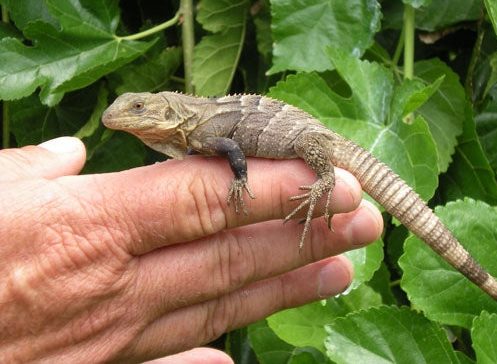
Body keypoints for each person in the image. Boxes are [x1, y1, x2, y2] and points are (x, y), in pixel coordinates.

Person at [0, 136, 382, 362]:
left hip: (314, 142)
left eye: (141, 109)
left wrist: (317, 180)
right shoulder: (191, 135)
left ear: (167, 111)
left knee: (317, 163)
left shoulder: (204, 130)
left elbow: (231, 146)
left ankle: (328, 178)